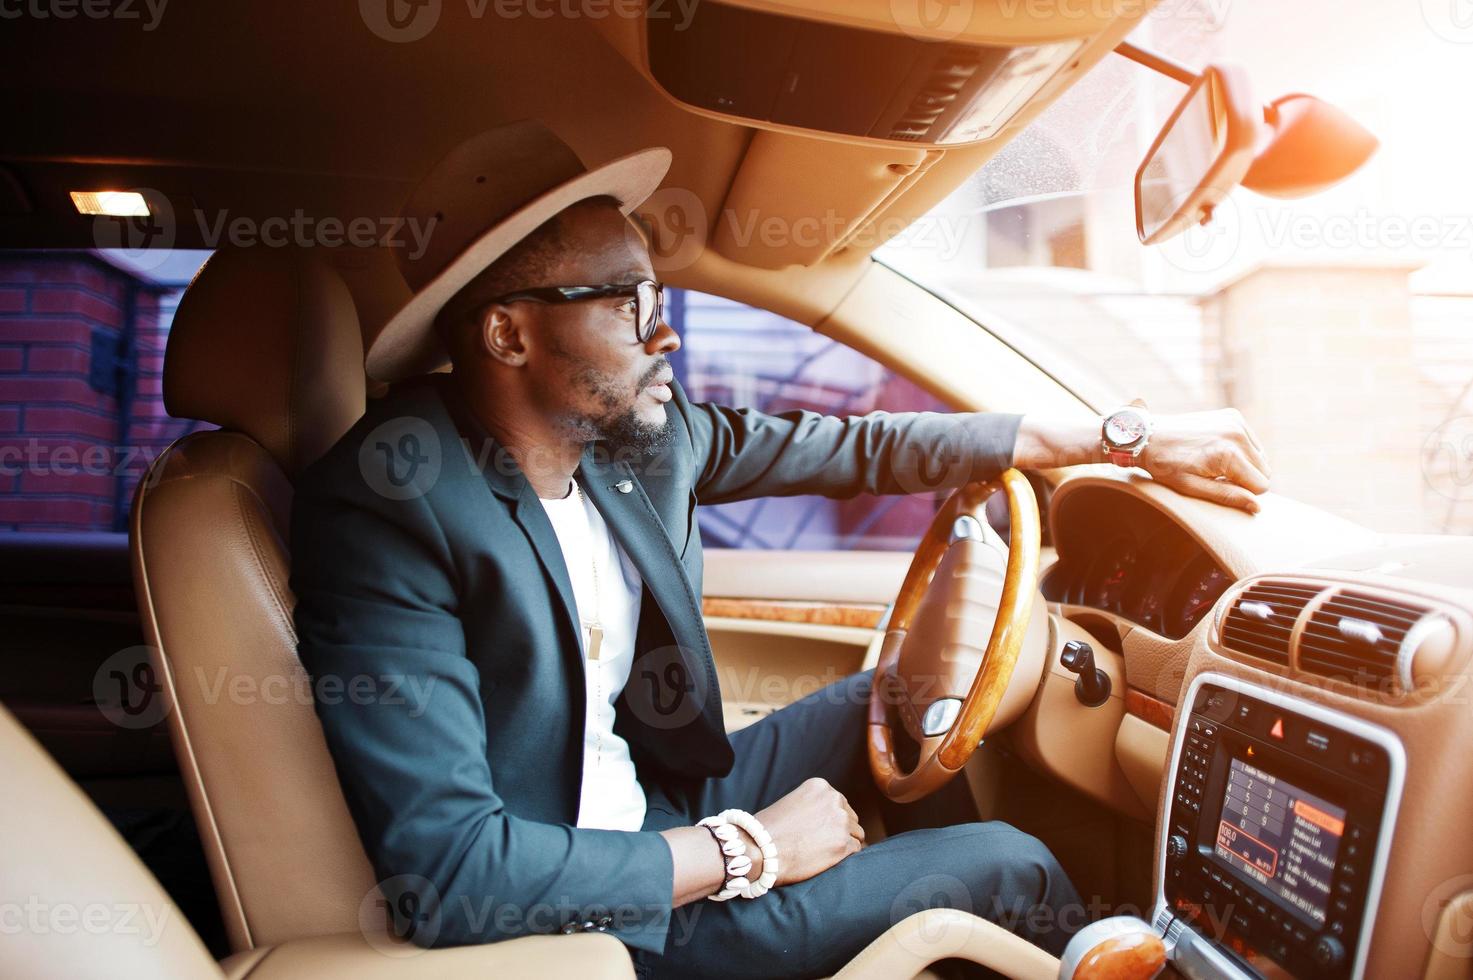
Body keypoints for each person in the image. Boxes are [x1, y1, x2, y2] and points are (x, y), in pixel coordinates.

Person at [290, 121, 1272, 979]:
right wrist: (746, 847)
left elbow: (863, 446)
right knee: (1009, 862)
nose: (666, 334)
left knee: (895, 698)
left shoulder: (634, 437)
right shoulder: (391, 508)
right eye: (630, 303)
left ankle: (924, 941)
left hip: (646, 797)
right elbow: (455, 872)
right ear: (509, 333)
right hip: (589, 915)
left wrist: (1123, 438)